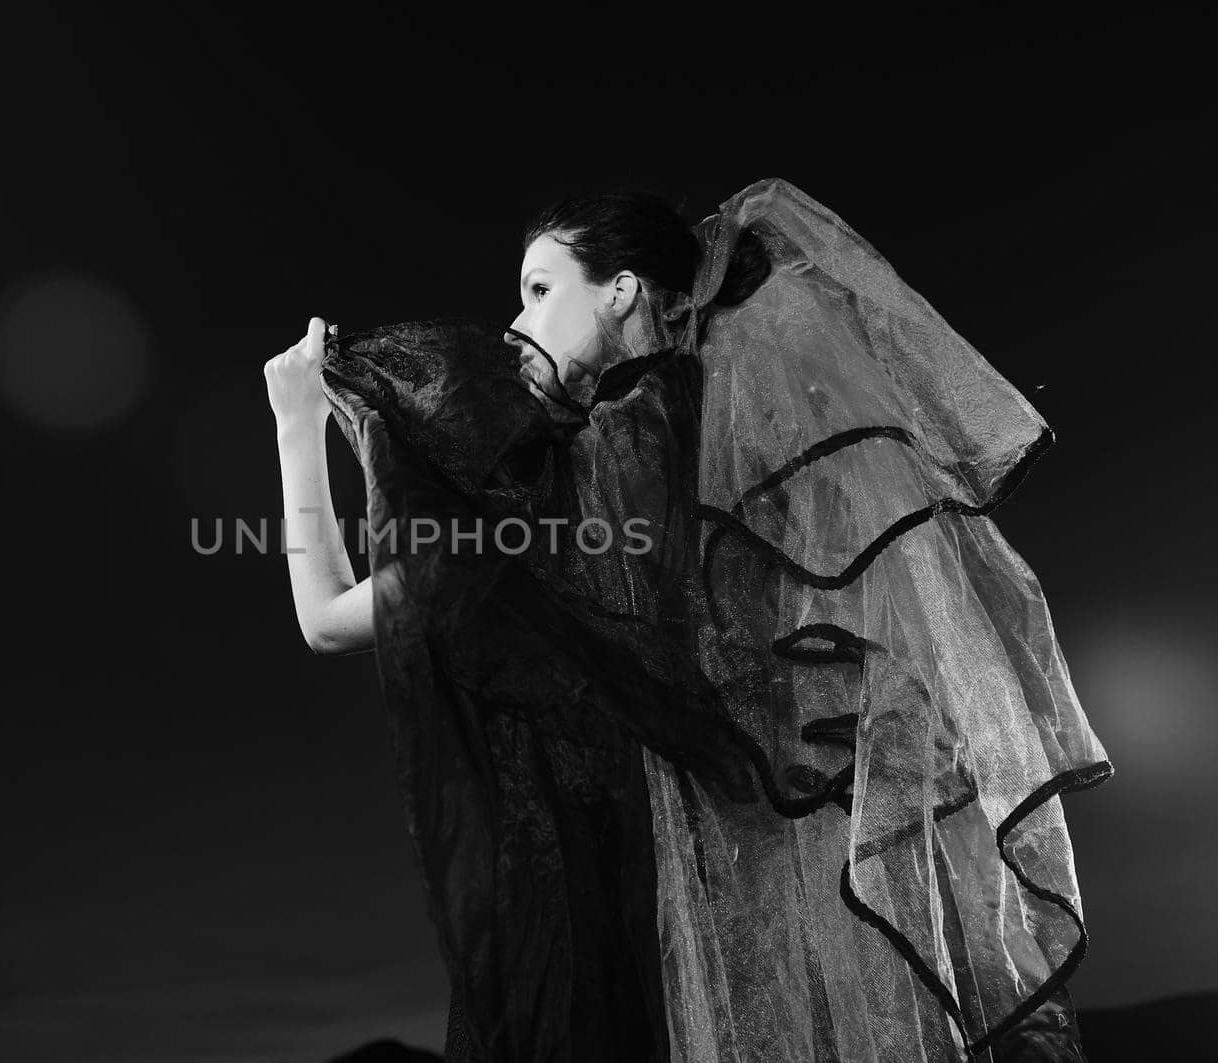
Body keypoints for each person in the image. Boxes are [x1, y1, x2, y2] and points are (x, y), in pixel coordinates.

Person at [264, 178, 1112, 1063]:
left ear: (622, 289)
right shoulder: (750, 451)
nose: (515, 324)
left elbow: (326, 617)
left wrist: (296, 426)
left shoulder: (577, 492)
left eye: (540, 289)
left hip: (662, 933)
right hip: (799, 917)